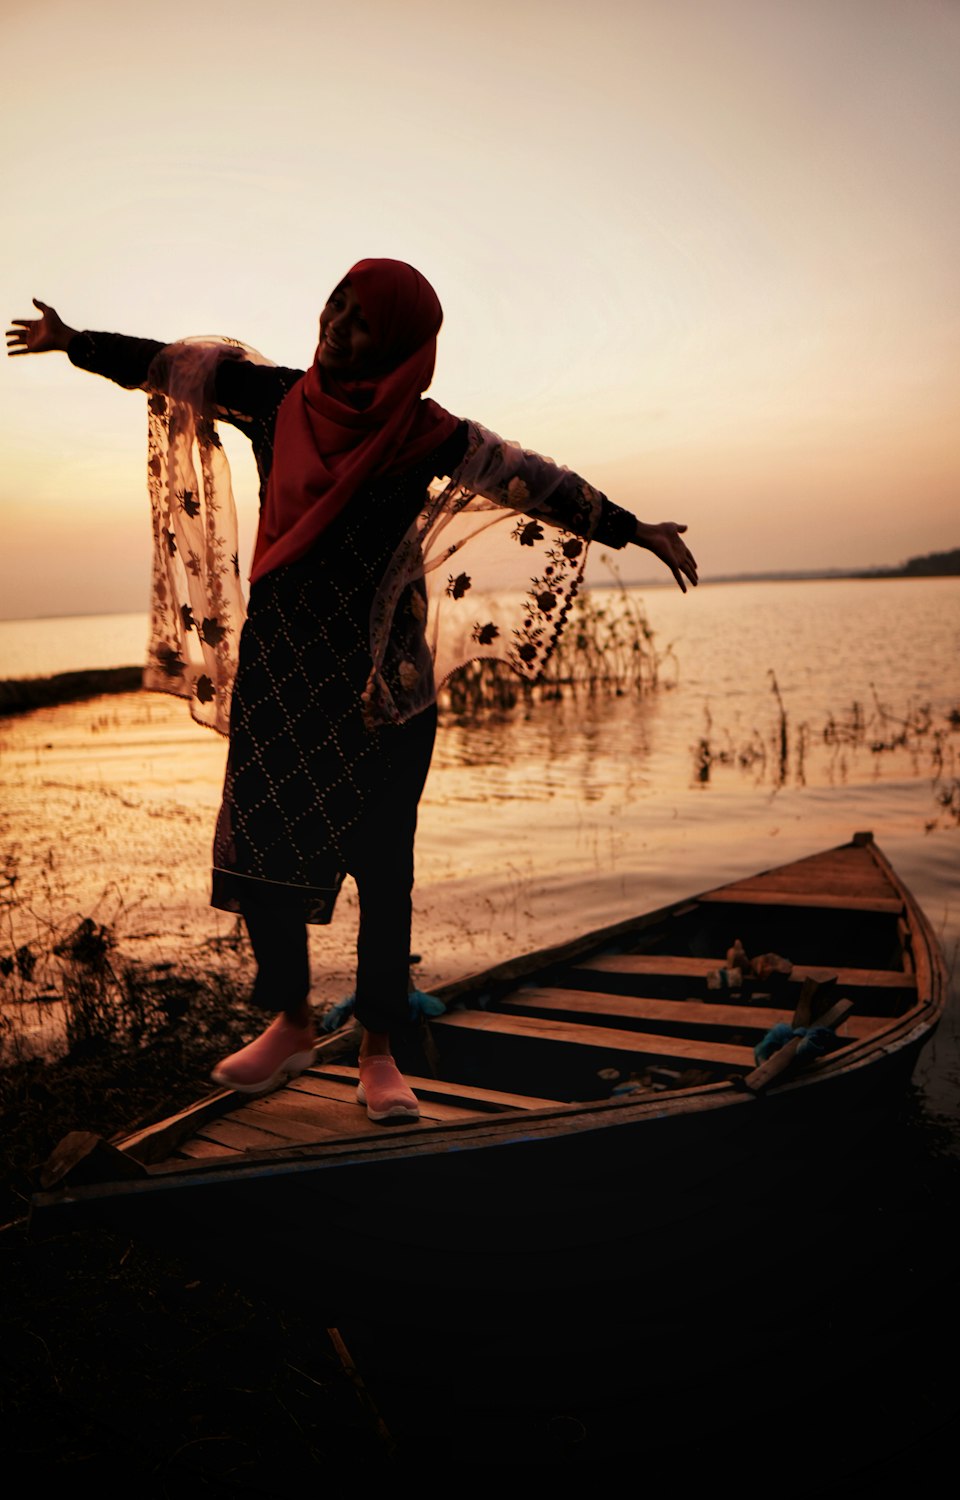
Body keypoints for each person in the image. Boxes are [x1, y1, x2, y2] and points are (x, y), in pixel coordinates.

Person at [7, 261, 697, 1122]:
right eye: (337, 305)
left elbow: (533, 481)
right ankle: (292, 1024)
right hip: (284, 663)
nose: (338, 324)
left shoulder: (428, 434)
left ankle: (379, 1051)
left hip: (382, 682)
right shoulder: (275, 397)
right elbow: (170, 364)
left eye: (364, 321)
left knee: (382, 863)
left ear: (402, 345)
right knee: (261, 843)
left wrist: (633, 530)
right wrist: (75, 343)